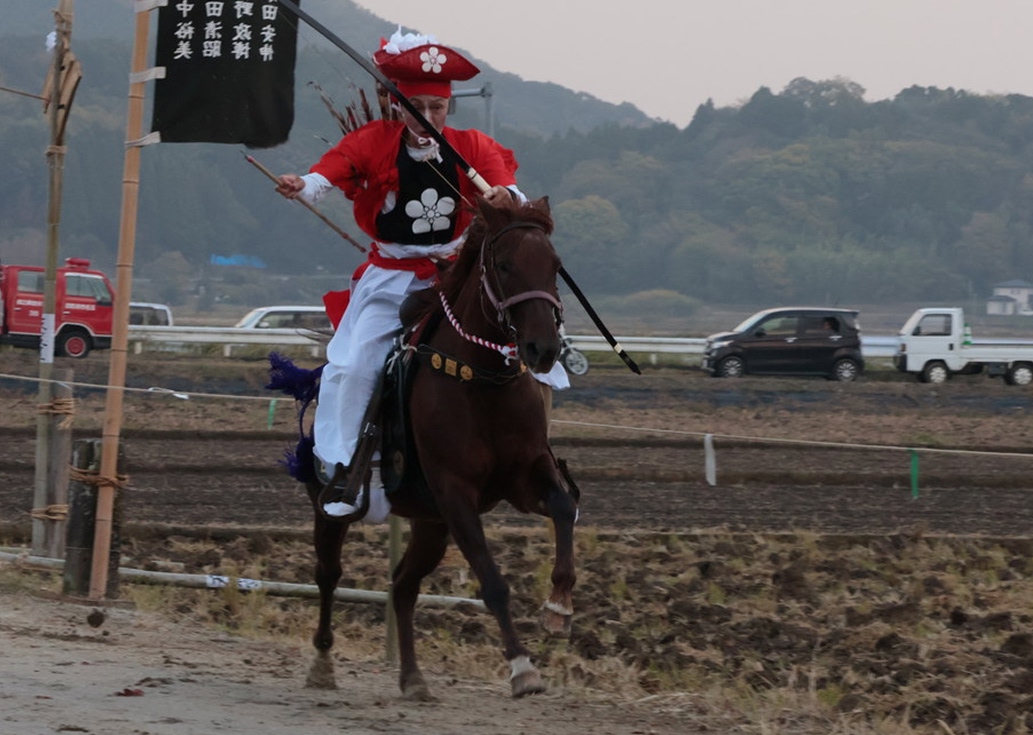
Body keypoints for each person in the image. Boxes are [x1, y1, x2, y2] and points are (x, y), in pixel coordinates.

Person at [276, 29, 568, 521]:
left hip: (456, 274)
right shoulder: (373, 143)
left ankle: (536, 461)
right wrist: (304, 183)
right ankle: (347, 469)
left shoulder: (471, 146)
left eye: (437, 108)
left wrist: (505, 198)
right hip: (391, 279)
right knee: (354, 364)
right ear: (398, 105)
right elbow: (332, 171)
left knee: (539, 346)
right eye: (418, 107)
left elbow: (510, 188)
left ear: (448, 109)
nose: (428, 118)